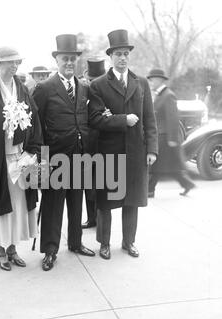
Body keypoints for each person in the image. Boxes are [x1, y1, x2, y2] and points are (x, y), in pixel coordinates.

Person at [0, 47, 43, 271]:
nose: (15, 66)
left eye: (17, 63)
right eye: (10, 62)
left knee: (18, 204)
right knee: (2, 206)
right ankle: (0, 251)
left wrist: (32, 153)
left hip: (19, 157)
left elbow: (34, 121)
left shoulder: (21, 89)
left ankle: (12, 248)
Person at [89, 29, 158, 260]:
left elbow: (149, 118)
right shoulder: (98, 85)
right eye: (118, 53)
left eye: (126, 53)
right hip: (109, 152)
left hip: (136, 152)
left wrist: (152, 150)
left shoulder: (141, 83)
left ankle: (129, 242)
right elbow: (96, 119)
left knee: (132, 201)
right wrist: (122, 120)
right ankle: (104, 243)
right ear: (110, 56)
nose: (122, 58)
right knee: (106, 202)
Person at [33, 34, 96, 272]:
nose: (69, 63)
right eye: (65, 59)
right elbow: (36, 125)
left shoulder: (84, 88)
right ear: (57, 60)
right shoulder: (45, 88)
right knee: (52, 205)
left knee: (76, 201)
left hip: (79, 155)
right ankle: (50, 250)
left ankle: (76, 242)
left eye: (73, 59)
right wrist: (41, 158)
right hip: (55, 158)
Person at [147, 69, 196, 197]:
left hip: (166, 138)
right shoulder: (160, 95)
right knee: (168, 166)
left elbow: (173, 118)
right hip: (161, 136)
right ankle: (187, 184)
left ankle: (149, 190)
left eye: (152, 80)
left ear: (159, 80)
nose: (151, 82)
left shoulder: (168, 95)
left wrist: (172, 139)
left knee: (159, 165)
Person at [82, 58, 106, 229]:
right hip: (86, 144)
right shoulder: (83, 92)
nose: (92, 83)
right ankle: (91, 218)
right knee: (87, 184)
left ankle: (100, 218)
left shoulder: (107, 92)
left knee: (101, 185)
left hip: (103, 144)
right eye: (90, 80)